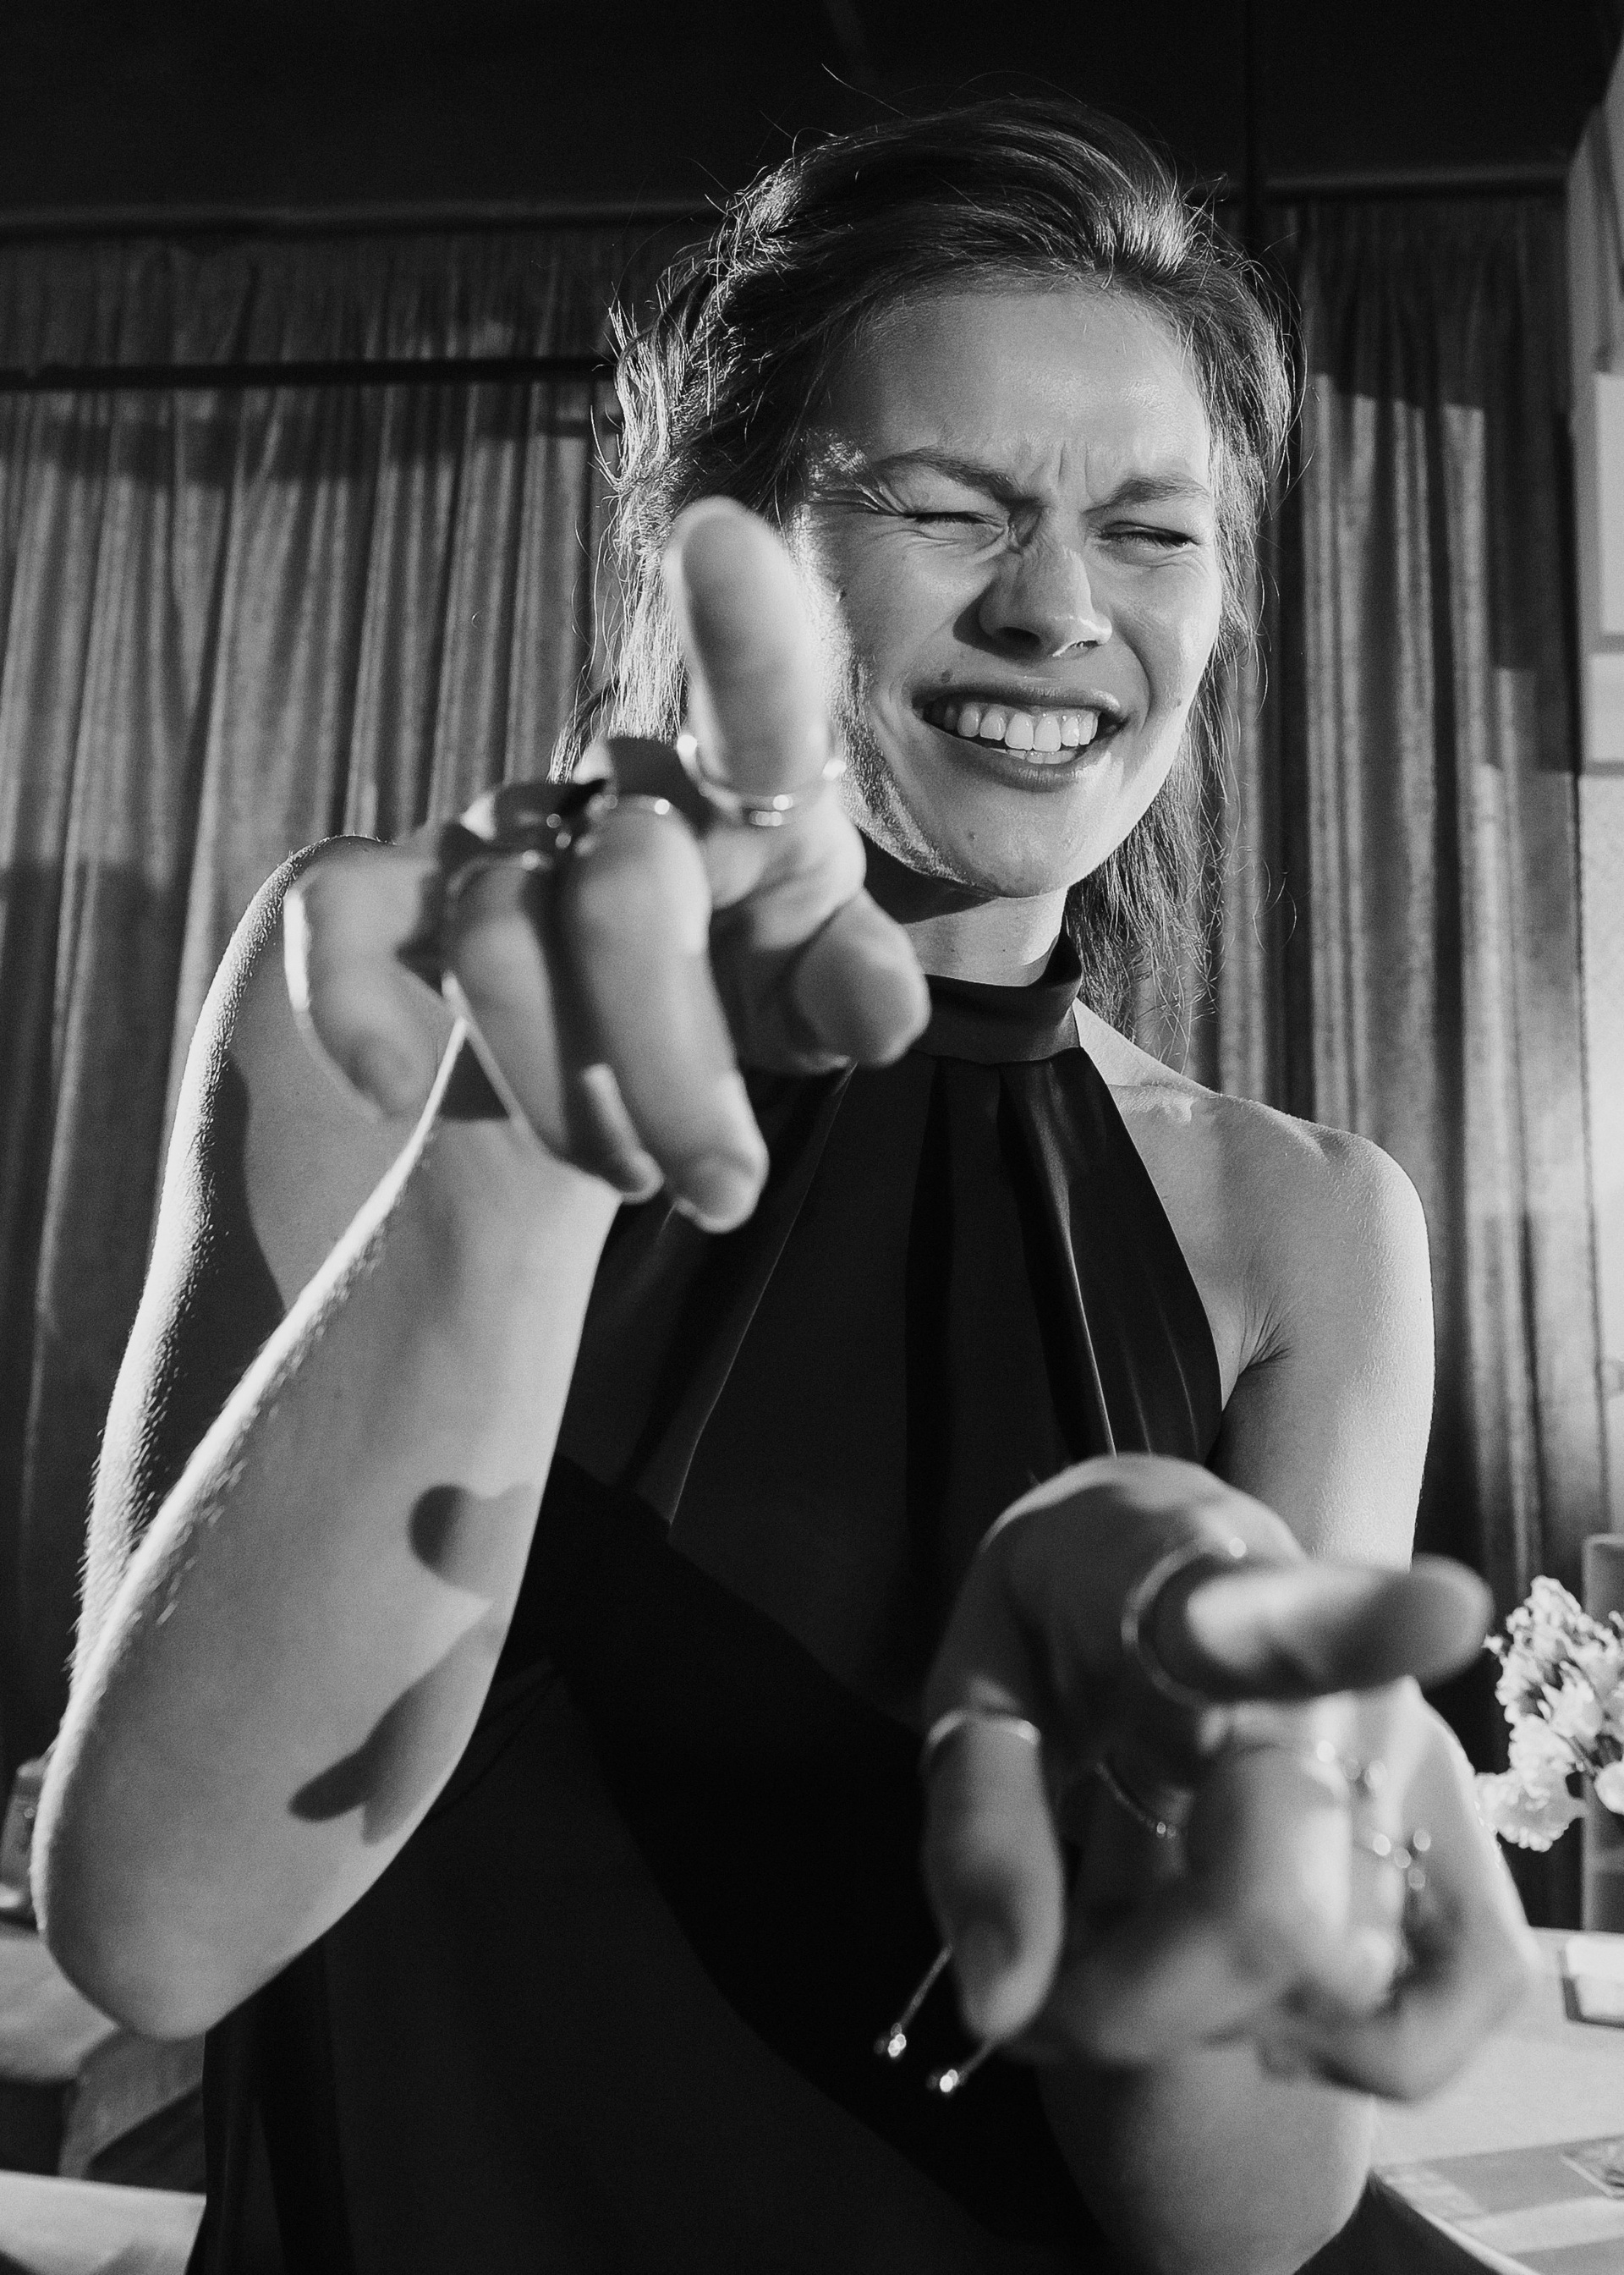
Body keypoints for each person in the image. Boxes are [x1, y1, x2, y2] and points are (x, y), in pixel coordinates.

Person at [34, 97, 1532, 2275]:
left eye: (1150, 529)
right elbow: (160, 1925)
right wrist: (519, 1153)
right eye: (946, 506)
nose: (1058, 609)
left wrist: (1177, 1770)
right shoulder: (386, 975)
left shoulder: (1306, 1229)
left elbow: (1235, 2220)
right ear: (718, 544)